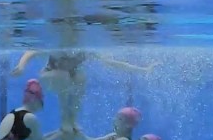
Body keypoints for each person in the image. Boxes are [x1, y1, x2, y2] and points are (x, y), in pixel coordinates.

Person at [10, 50, 152, 131]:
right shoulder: (60, 49)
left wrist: (142, 69)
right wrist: (21, 66)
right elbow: (32, 52)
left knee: (80, 77)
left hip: (67, 81)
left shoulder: (83, 52)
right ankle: (65, 118)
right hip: (49, 77)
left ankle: (73, 118)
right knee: (63, 76)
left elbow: (113, 63)